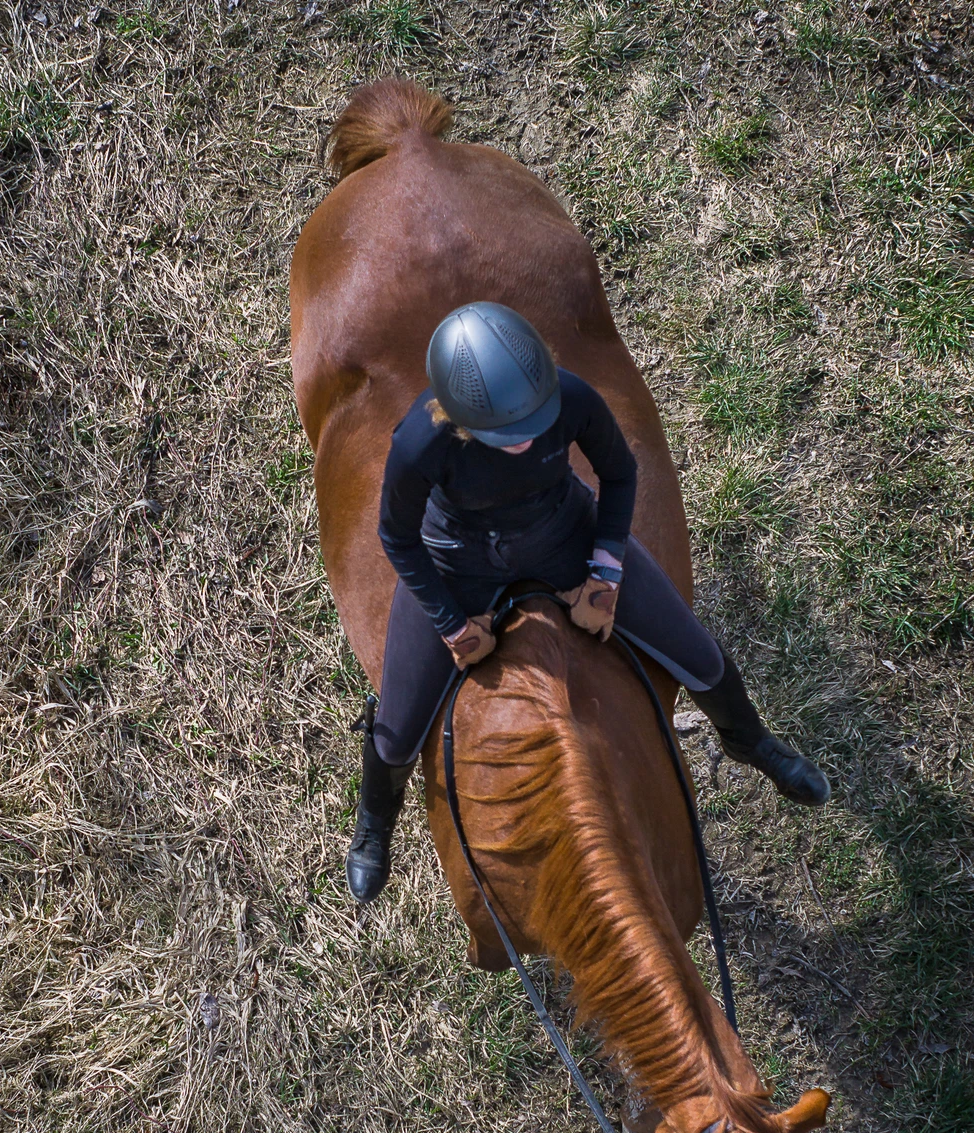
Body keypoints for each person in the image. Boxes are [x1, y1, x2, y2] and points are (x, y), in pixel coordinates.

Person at [346, 302, 830, 902]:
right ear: (456, 413)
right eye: (505, 433)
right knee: (394, 732)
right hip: (458, 559)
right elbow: (396, 535)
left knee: (699, 656)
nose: (524, 440)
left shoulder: (570, 397)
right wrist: (450, 622)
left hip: (563, 533)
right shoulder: (422, 441)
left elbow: (619, 474)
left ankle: (749, 739)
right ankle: (374, 825)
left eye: (533, 423)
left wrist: (602, 578)